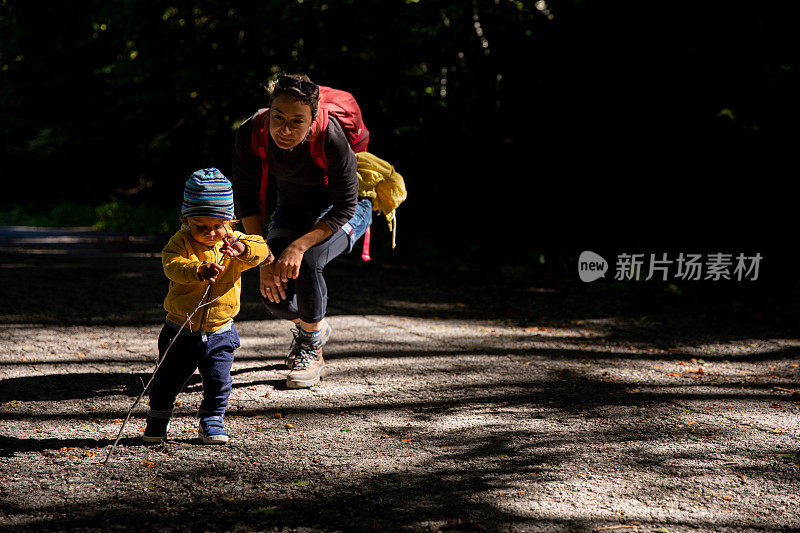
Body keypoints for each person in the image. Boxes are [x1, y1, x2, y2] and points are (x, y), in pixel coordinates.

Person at [231, 73, 372, 389]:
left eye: (296, 121)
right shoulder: (251, 133)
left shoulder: (331, 138)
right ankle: (314, 326)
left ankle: (311, 348)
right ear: (269, 110)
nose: (284, 129)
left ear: (312, 119)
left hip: (347, 210)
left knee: (306, 261)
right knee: (275, 296)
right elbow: (246, 198)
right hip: (295, 207)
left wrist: (297, 246)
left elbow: (346, 207)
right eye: (278, 117)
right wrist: (263, 254)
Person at [143, 168, 269, 444]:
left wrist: (243, 249)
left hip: (221, 331)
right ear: (186, 220)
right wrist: (197, 270)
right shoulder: (181, 241)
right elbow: (172, 265)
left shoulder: (235, 242)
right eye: (201, 226)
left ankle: (212, 419)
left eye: (218, 225)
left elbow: (262, 249)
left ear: (230, 220)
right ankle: (158, 419)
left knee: (218, 382)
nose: (211, 233)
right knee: (167, 381)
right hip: (180, 329)